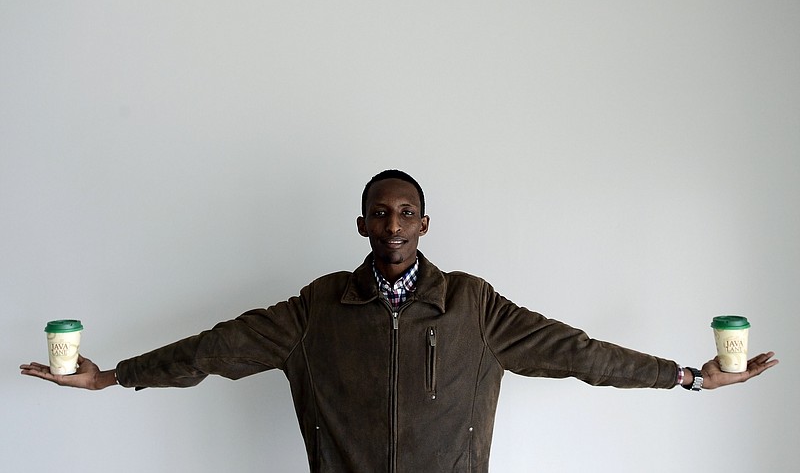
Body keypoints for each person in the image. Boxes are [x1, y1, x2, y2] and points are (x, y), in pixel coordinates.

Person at [21, 169, 778, 472]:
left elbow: (575, 352)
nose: (394, 225)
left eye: (406, 213)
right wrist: (116, 376)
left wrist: (683, 377)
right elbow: (217, 348)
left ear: (424, 222)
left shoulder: (472, 306)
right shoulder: (316, 309)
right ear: (361, 225)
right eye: (380, 214)